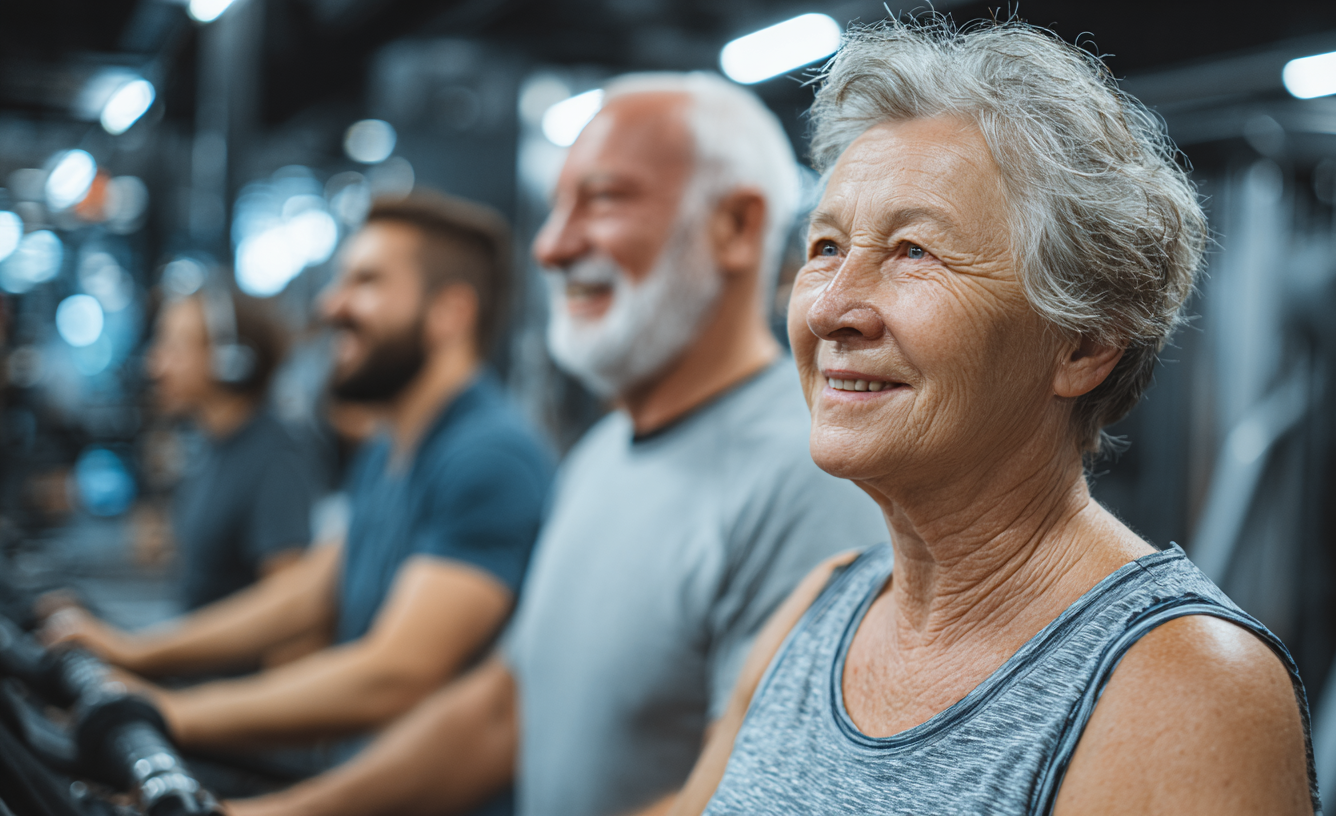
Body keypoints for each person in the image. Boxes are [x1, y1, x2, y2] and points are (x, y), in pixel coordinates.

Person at [667, 20, 1320, 816]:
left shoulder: (1186, 689)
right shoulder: (817, 613)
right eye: (828, 246)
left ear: (1084, 343)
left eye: (913, 251)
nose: (833, 308)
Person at [227, 72, 886, 816]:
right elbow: (506, 709)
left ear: (734, 227)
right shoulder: (599, 455)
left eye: (602, 200)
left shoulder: (807, 475)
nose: (551, 245)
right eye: (556, 206)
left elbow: (741, 799)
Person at [43, 193, 554, 765]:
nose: (332, 305)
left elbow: (394, 673)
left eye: (366, 282)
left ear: (451, 313)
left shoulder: (489, 456)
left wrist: (169, 711)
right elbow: (308, 593)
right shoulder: (392, 443)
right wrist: (140, 655)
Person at [147, 287, 317, 609]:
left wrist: (147, 656)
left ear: (230, 360)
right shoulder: (214, 447)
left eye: (175, 346)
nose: (156, 365)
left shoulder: (275, 459)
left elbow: (287, 611)